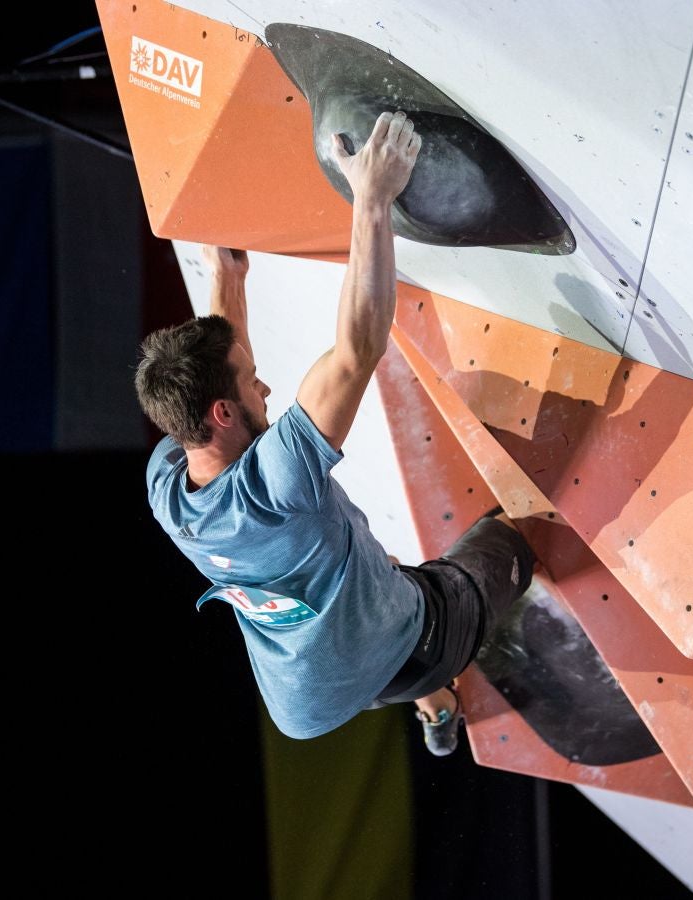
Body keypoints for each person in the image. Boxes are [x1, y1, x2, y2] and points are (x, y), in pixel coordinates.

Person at [134, 110, 535, 755]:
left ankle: (436, 712)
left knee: (372, 578)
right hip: (413, 646)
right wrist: (372, 199)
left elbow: (219, 365)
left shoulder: (170, 487)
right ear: (222, 415)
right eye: (251, 382)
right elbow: (356, 350)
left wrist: (227, 278)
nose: (263, 387)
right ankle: (439, 680)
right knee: (518, 529)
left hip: (310, 695)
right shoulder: (277, 485)